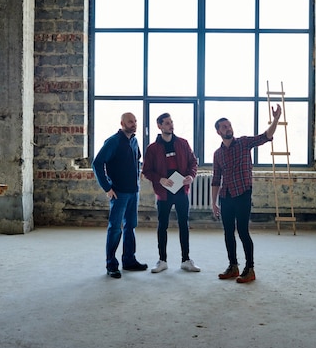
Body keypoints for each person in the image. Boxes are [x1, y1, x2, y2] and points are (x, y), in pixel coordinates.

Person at [211, 104, 282, 283]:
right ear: (219, 132)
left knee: (243, 231)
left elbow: (265, 136)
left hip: (242, 194)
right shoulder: (218, 154)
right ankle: (233, 266)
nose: (228, 128)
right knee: (228, 232)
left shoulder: (243, 142)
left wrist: (275, 119)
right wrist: (214, 203)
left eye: (229, 125)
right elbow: (215, 179)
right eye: (224, 127)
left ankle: (250, 268)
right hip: (226, 196)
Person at [142, 113, 201, 273]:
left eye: (171, 122)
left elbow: (193, 162)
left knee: (184, 224)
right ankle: (162, 260)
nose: (171, 125)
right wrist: (159, 179)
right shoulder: (152, 148)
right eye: (167, 123)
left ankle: (186, 260)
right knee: (162, 226)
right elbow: (146, 170)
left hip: (181, 190)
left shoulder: (183, 143)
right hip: (163, 192)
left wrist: (191, 175)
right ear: (159, 126)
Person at [92, 112, 148, 279]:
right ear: (122, 123)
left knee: (131, 226)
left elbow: (136, 159)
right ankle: (111, 264)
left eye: (135, 121)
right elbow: (97, 163)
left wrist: (140, 173)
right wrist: (107, 187)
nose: (134, 124)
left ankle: (129, 260)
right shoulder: (113, 141)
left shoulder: (134, 140)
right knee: (115, 228)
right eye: (130, 121)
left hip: (133, 191)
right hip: (119, 192)